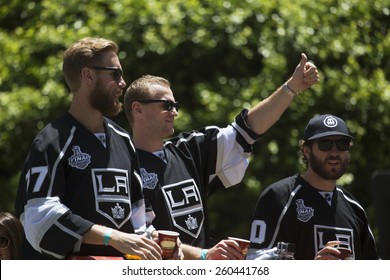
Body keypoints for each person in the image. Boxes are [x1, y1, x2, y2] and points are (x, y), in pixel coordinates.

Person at [123, 53, 319, 260]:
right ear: (138, 109)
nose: (175, 113)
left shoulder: (190, 150)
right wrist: (205, 256)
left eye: (176, 106)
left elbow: (247, 130)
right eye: (166, 106)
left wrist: (291, 87)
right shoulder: (124, 166)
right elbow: (143, 237)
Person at [14, 37, 165, 260]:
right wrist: (111, 237)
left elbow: (138, 217)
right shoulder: (51, 140)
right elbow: (38, 218)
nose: (123, 83)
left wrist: (157, 242)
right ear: (88, 76)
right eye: (115, 74)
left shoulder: (123, 139)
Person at [247, 114, 379, 260]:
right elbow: (255, 265)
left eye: (342, 143)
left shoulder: (355, 208)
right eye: (325, 144)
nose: (334, 152)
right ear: (306, 151)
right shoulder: (278, 197)